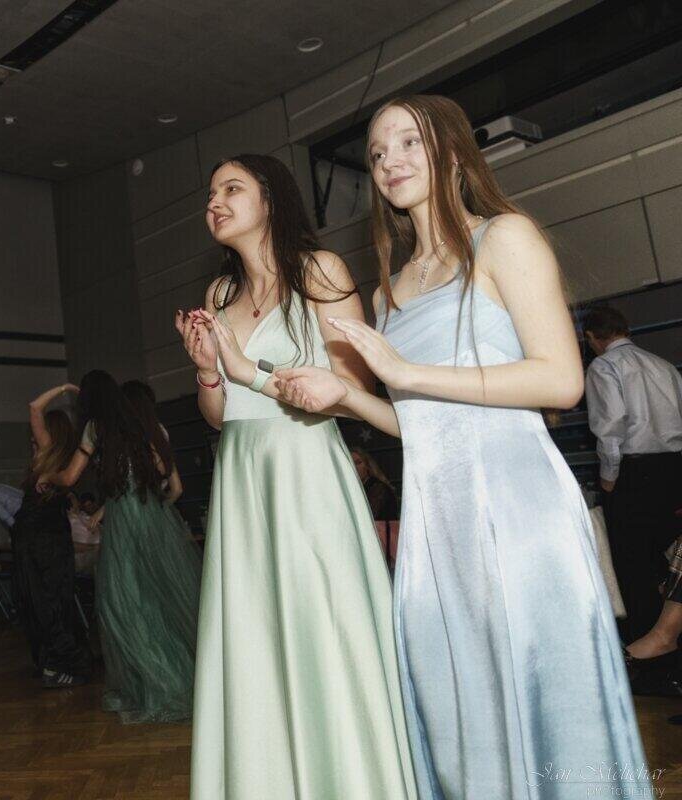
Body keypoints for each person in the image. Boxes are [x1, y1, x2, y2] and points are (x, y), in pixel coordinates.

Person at [275, 95, 649, 797]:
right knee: (458, 713)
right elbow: (420, 422)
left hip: (518, 509)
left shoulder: (505, 237)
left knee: (545, 696)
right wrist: (345, 397)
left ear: (450, 152)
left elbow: (561, 380)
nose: (389, 162)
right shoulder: (389, 293)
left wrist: (404, 373)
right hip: (435, 528)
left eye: (408, 143)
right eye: (377, 154)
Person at [181, 153, 416, 799]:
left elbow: (355, 393)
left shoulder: (321, 271)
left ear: (271, 199)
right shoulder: (219, 296)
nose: (215, 202)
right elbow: (220, 415)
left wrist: (251, 370)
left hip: (306, 470)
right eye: (210, 193)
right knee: (253, 634)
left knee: (323, 628)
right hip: (241, 478)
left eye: (231, 188)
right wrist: (206, 371)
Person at [44, 370, 200, 723]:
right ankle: (179, 679)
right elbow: (167, 478)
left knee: (121, 605)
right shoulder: (143, 426)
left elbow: (69, 477)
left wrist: (46, 475)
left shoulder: (96, 428)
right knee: (163, 602)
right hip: (154, 517)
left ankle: (155, 684)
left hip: (125, 525)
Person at [582, 305, 682, 641]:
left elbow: (610, 428)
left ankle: (646, 637)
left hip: (634, 471)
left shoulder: (604, 366)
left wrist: (608, 479)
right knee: (671, 553)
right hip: (674, 467)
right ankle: (672, 631)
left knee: (633, 559)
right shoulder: (664, 365)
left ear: (592, 337)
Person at [10, 383, 91, 688]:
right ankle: (58, 663)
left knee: (39, 599)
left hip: (34, 535)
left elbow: (34, 406)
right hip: (50, 535)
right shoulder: (63, 459)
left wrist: (65, 387)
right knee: (54, 598)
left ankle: (54, 662)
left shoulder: (46, 454)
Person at [351, 446, 401, 570]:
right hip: (373, 544)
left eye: (358, 462)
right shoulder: (356, 489)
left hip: (383, 544)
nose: (354, 467)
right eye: (351, 463)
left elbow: (369, 517)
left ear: (368, 466)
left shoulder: (378, 488)